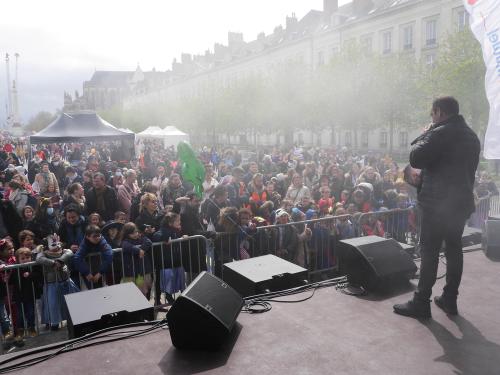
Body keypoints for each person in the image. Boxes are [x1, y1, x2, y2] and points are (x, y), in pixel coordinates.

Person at [394, 97, 480, 318]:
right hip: (460, 203)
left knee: (429, 252)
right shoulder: (471, 135)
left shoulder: (439, 133)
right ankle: (450, 299)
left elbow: (415, 157)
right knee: (454, 249)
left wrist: (426, 133)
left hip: (437, 204)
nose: (431, 118)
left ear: (439, 112)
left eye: (432, 114)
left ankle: (421, 302)